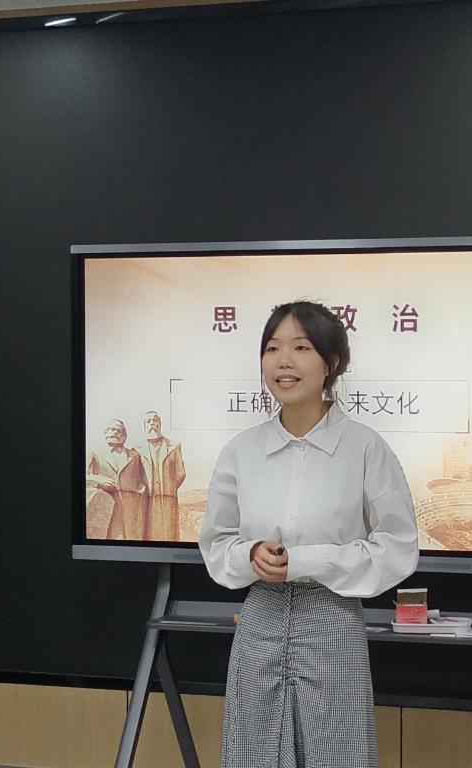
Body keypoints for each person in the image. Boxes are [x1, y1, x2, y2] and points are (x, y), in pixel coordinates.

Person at [199, 300, 419, 768]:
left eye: (301, 348)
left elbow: (397, 546)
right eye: (272, 348)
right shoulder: (241, 450)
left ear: (331, 362)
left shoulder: (365, 447)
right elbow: (216, 542)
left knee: (337, 755)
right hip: (259, 622)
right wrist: (251, 554)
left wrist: (306, 562)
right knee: (252, 755)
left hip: (333, 620)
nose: (284, 361)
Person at [86, 419, 148, 540]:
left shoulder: (134, 455)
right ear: (105, 433)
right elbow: (83, 477)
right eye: (111, 429)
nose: (114, 432)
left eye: (118, 431)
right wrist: (98, 482)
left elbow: (142, 478)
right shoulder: (95, 453)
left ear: (124, 436)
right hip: (108, 505)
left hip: (132, 507)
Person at [136, 409, 186, 541]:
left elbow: (180, 472)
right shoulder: (136, 450)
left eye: (155, 420)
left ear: (160, 423)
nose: (152, 423)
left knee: (168, 533)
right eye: (148, 421)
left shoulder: (174, 446)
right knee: (147, 533)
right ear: (144, 425)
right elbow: (135, 475)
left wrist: (169, 487)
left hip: (168, 498)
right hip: (147, 499)